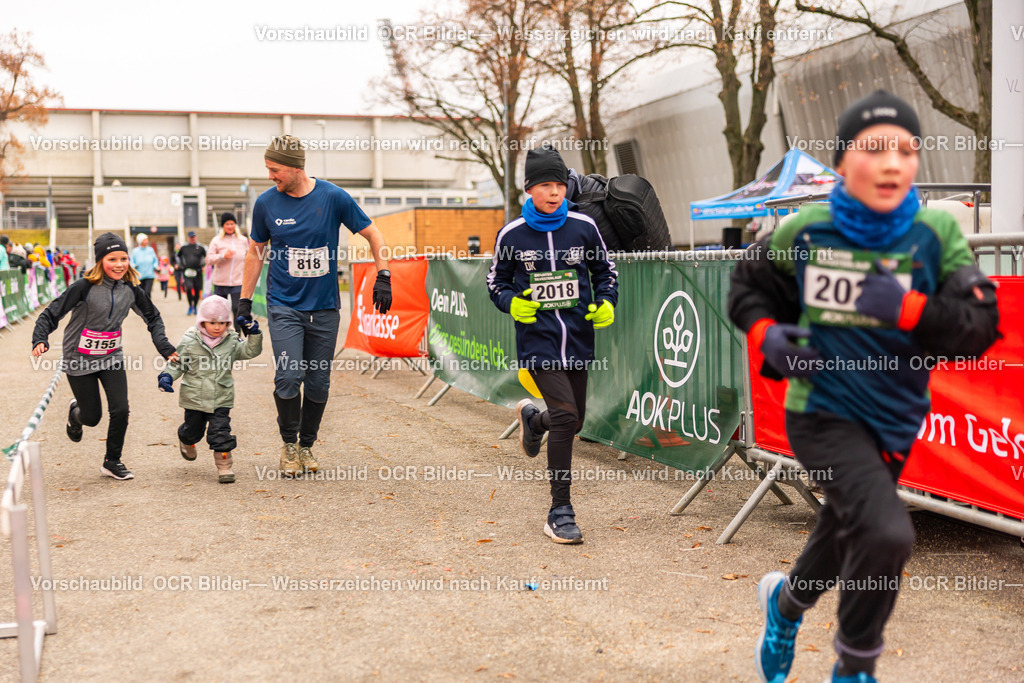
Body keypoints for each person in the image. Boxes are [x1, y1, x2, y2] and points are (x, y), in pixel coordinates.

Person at [727, 91, 1000, 683]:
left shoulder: (933, 235)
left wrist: (909, 309)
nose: (893, 163)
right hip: (820, 411)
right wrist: (768, 334)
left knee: (845, 528)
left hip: (895, 420)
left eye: (907, 150)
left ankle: (784, 605)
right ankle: (854, 668)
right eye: (874, 149)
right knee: (884, 531)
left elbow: (981, 326)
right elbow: (746, 286)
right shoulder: (807, 229)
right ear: (843, 162)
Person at [486, 144, 619, 545]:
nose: (554, 192)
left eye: (559, 184)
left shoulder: (584, 226)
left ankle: (532, 420)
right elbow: (496, 282)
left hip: (578, 338)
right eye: (545, 184)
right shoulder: (512, 233)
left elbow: (605, 271)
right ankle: (559, 511)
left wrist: (607, 302)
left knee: (573, 420)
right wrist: (513, 304)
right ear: (529, 189)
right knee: (566, 419)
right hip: (538, 341)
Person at [237, 134, 393, 476]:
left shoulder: (333, 197)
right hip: (284, 306)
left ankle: (307, 446)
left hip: (323, 309)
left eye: (274, 169)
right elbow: (255, 251)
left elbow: (373, 234)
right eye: (268, 169)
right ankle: (289, 444)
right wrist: (244, 301)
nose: (270, 176)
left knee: (319, 383)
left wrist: (384, 274)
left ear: (295, 167)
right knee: (290, 375)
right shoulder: (266, 204)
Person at [31, 232, 179, 480]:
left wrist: (164, 347)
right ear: (100, 261)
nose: (119, 264)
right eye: (112, 259)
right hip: (78, 359)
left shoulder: (131, 289)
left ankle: (112, 461)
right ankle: (76, 413)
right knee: (92, 418)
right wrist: (40, 339)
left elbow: (153, 317)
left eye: (123, 258)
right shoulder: (83, 287)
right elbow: (51, 313)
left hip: (111, 356)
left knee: (121, 409)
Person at [157, 295, 263, 483]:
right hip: (194, 398)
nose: (217, 327)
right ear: (202, 322)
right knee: (193, 431)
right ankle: (186, 439)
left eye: (222, 322)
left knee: (220, 433)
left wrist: (254, 334)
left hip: (221, 397)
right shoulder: (190, 340)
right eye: (212, 322)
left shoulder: (231, 340)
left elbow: (249, 351)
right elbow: (178, 363)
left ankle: (224, 467)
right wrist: (167, 376)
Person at [207, 212, 250, 332]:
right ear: (223, 226)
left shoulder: (243, 240)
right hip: (220, 282)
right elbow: (208, 259)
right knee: (220, 311)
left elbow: (249, 258)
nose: (230, 226)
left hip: (238, 281)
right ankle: (221, 334)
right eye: (227, 224)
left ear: (235, 225)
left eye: (232, 224)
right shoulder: (216, 240)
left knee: (237, 308)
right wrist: (222, 256)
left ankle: (237, 335)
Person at [177, 231, 206, 315]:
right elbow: (178, 257)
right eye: (190, 237)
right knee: (189, 288)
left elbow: (205, 256)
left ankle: (195, 306)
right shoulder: (184, 248)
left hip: (198, 271)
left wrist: (203, 264)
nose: (192, 239)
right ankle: (190, 305)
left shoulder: (200, 247)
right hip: (187, 271)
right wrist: (181, 265)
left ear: (195, 237)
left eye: (193, 237)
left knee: (197, 289)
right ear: (188, 238)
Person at [131, 233, 159, 298]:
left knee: (147, 292)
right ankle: (145, 306)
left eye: (147, 239)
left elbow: (155, 260)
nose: (147, 241)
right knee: (142, 292)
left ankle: (149, 306)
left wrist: (155, 266)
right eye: (145, 240)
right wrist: (134, 266)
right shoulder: (135, 251)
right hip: (140, 276)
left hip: (150, 275)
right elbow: (132, 262)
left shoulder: (150, 250)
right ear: (141, 241)